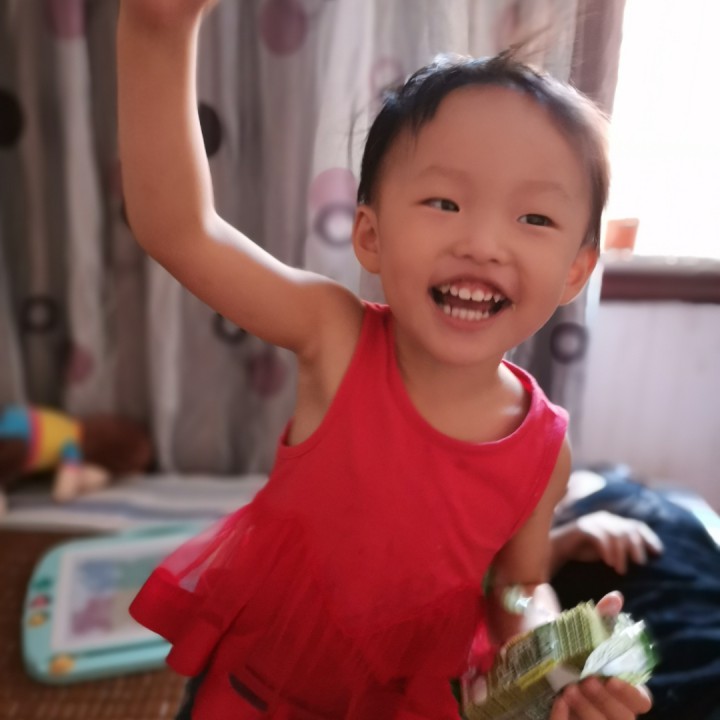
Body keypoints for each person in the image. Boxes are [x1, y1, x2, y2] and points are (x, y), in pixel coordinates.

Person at [117, 2, 652, 718]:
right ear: (369, 234)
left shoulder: (545, 446)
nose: (483, 244)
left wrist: (551, 655)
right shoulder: (333, 335)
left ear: (576, 271)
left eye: (534, 218)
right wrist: (158, 29)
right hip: (260, 691)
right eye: (443, 202)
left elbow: (515, 588)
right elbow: (180, 231)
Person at [551, 468, 720, 720]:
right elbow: (517, 579)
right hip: (676, 672)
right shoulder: (545, 545)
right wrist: (566, 540)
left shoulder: (601, 484)